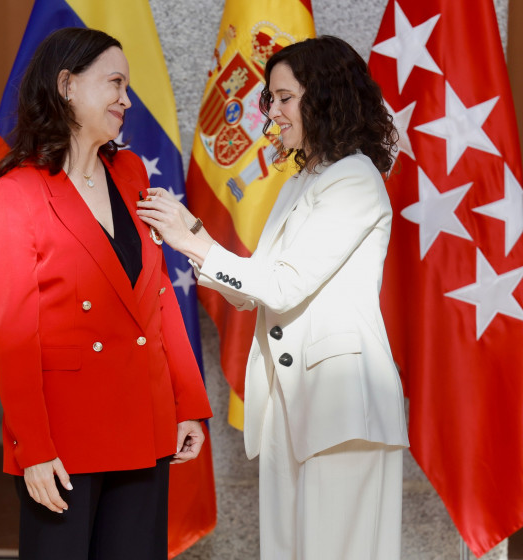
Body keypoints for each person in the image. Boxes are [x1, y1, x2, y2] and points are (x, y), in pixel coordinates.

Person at [138, 35, 408, 559]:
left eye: (284, 98)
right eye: (272, 98)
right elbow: (255, 288)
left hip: (340, 403)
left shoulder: (354, 178)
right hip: (290, 403)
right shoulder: (304, 177)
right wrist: (193, 236)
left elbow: (283, 286)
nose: (273, 112)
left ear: (325, 97)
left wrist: (196, 241)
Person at [0, 27, 211, 560]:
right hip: (63, 440)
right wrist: (31, 449)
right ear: (66, 85)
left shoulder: (128, 173)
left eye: (126, 87)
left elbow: (154, 298)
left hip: (145, 425)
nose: (126, 100)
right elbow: (13, 337)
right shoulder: (14, 196)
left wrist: (188, 405)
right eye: (114, 84)